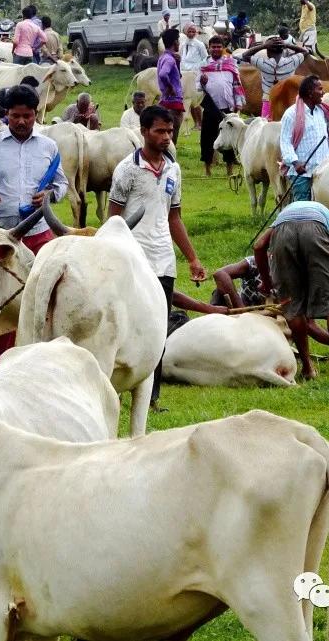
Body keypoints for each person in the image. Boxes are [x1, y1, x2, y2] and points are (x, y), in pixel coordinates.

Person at [107, 104, 207, 409]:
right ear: (144, 132)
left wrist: (192, 258)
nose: (166, 136)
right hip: (132, 258)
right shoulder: (127, 170)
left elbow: (174, 217)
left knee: (157, 329)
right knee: (127, 325)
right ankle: (115, 389)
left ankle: (151, 397)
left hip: (163, 258)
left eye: (170, 130)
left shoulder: (174, 169)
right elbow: (113, 220)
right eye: (160, 131)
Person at [0, 83, 68, 359]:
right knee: (5, 304)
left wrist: (50, 194)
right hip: (2, 240)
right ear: (5, 114)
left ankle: (46, 360)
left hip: (39, 234)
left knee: (47, 300)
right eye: (15, 116)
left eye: (28, 116)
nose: (21, 121)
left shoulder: (49, 146)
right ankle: (5, 365)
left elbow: (62, 184)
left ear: (36, 114)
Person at [253, 200, 329, 381]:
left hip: (283, 234)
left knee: (293, 306)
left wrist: (266, 281)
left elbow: (258, 246)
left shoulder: (282, 217)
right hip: (315, 231)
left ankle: (308, 370)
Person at [279, 75, 329, 202]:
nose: (323, 92)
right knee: (302, 207)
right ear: (310, 93)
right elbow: (285, 142)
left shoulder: (322, 112)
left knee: (322, 206)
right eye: (320, 89)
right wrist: (295, 163)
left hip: (323, 172)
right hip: (302, 173)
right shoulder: (291, 114)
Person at [198, 35, 245, 176]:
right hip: (210, 107)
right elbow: (198, 87)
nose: (216, 49)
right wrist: (203, 82)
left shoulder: (231, 63)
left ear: (223, 48)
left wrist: (238, 103)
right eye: (213, 47)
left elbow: (236, 84)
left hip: (228, 108)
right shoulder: (203, 64)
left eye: (219, 47)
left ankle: (229, 170)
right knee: (207, 138)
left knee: (229, 139)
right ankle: (207, 170)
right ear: (209, 48)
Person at [241, 36, 308, 118]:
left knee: (267, 125)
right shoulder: (291, 62)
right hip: (288, 100)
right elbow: (306, 51)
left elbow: (244, 56)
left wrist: (264, 46)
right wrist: (286, 45)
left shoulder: (263, 64)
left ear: (268, 52)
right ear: (283, 50)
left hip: (269, 100)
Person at [157, 28, 186, 143]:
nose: (179, 43)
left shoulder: (164, 57)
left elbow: (177, 77)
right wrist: (170, 87)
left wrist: (178, 63)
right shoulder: (170, 59)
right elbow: (163, 74)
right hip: (173, 102)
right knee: (171, 137)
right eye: (178, 40)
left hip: (165, 100)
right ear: (175, 43)